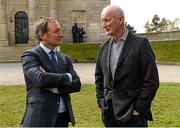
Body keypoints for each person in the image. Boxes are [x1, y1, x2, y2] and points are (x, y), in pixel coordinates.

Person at [95, 5, 159, 127]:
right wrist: (102, 103)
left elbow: (151, 80)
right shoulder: (103, 47)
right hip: (109, 115)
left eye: (107, 20)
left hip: (133, 116)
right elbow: (99, 78)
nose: (103, 25)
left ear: (120, 20)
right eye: (102, 21)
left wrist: (138, 109)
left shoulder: (141, 44)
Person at [21, 17, 81, 127]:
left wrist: (54, 86)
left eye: (60, 30)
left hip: (63, 118)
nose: (61, 34)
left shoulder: (64, 58)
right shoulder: (30, 55)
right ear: (42, 35)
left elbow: (77, 84)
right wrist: (67, 77)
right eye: (56, 31)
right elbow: (40, 80)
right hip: (39, 118)